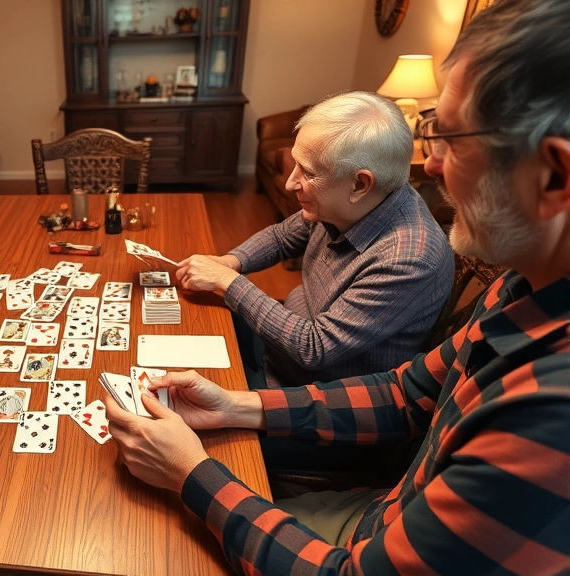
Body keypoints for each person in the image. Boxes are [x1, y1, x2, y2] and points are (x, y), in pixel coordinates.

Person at [103, 0, 570, 573]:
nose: (431, 166)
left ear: (554, 175)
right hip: (385, 505)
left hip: (361, 521)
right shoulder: (520, 288)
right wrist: (239, 407)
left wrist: (192, 475)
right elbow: (403, 393)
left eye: (450, 138)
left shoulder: (546, 420)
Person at [178, 92, 453, 389]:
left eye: (307, 172)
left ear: (360, 184)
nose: (290, 182)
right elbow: (282, 236)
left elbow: (314, 347)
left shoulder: (408, 260)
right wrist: (229, 262)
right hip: (278, 348)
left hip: (304, 393)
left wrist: (228, 280)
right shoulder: (358, 201)